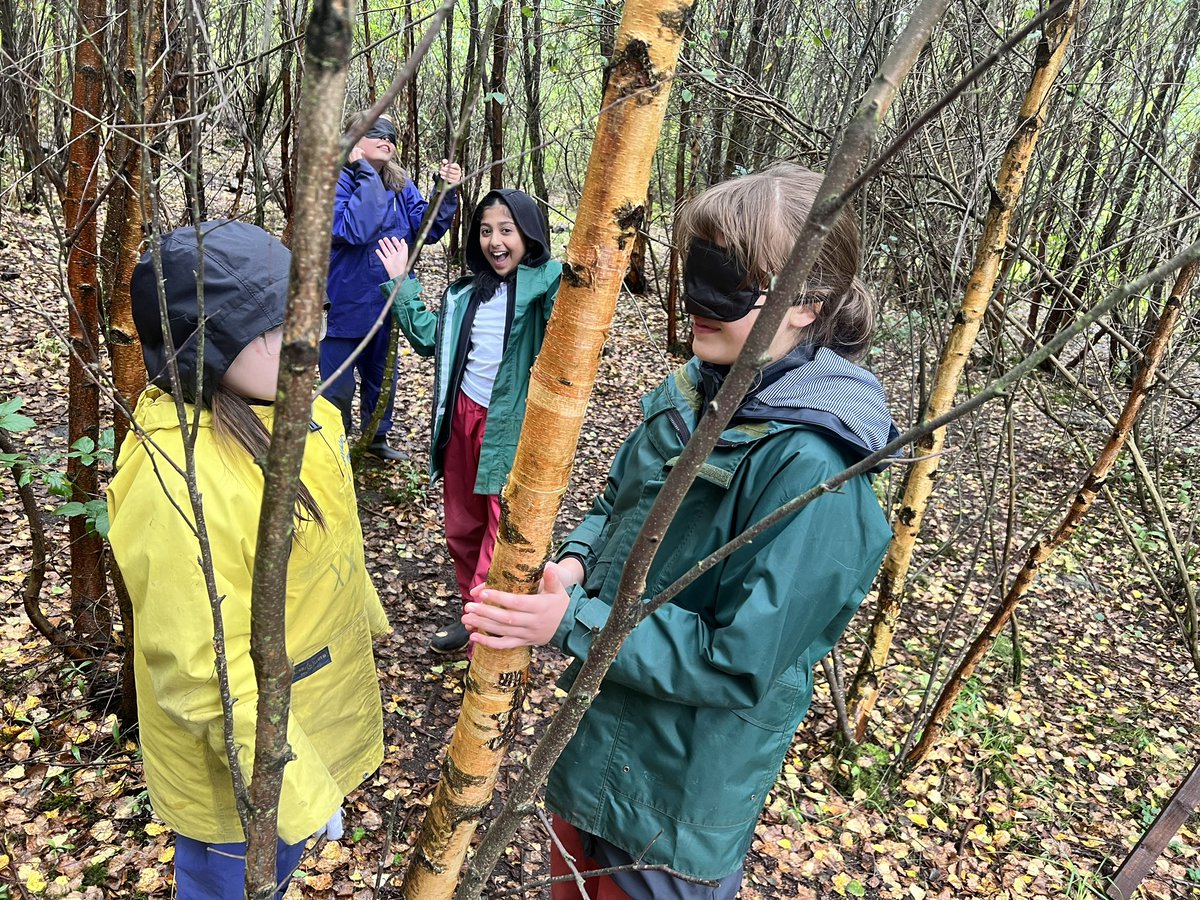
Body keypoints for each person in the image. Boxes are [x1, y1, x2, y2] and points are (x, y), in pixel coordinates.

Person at [461, 163, 898, 899]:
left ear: (807, 303)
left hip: (674, 804)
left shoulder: (816, 474)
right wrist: (574, 563)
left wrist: (573, 624)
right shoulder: (693, 394)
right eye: (696, 272)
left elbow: (737, 661)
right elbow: (616, 502)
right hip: (594, 745)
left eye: (727, 283)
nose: (697, 302)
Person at [107, 221, 389, 899]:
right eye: (275, 328)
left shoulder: (304, 414)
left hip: (307, 723)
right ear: (210, 346)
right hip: (241, 780)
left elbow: (330, 547)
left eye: (307, 314)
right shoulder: (178, 483)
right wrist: (299, 792)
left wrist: (366, 618)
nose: (306, 339)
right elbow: (206, 673)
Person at [375, 188, 562, 653]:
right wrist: (401, 282)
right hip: (461, 416)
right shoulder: (465, 293)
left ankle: (489, 631)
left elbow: (574, 318)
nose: (494, 241)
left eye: (506, 230)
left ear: (528, 234)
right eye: (484, 231)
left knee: (500, 529)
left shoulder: (548, 282)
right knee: (462, 526)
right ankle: (471, 612)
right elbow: (427, 338)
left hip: (511, 423)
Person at [321, 111, 463, 461]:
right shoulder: (334, 180)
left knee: (381, 380)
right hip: (342, 306)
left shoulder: (401, 184)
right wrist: (365, 174)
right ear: (354, 139)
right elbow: (353, 228)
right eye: (376, 132)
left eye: (392, 136)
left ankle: (375, 439)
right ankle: (335, 448)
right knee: (336, 386)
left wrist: (444, 192)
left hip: (387, 304)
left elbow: (426, 230)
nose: (387, 139)